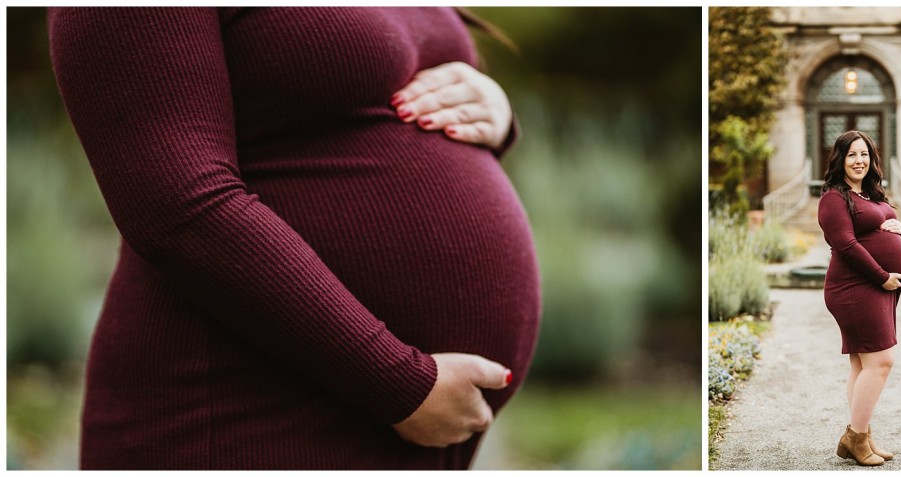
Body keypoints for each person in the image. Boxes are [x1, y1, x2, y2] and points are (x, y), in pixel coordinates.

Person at [48, 7, 540, 470]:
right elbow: (175, 202)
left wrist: (492, 112)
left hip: (371, 417)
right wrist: (395, 382)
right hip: (242, 409)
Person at [817, 130, 901, 467]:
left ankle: (862, 434)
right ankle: (855, 438)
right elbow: (846, 245)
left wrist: (900, 228)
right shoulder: (833, 198)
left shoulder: (870, 194)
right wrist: (883, 276)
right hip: (854, 288)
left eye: (865, 155)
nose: (859, 161)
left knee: (862, 363)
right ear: (839, 159)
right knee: (881, 361)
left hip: (873, 288)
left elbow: (890, 223)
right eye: (852, 155)